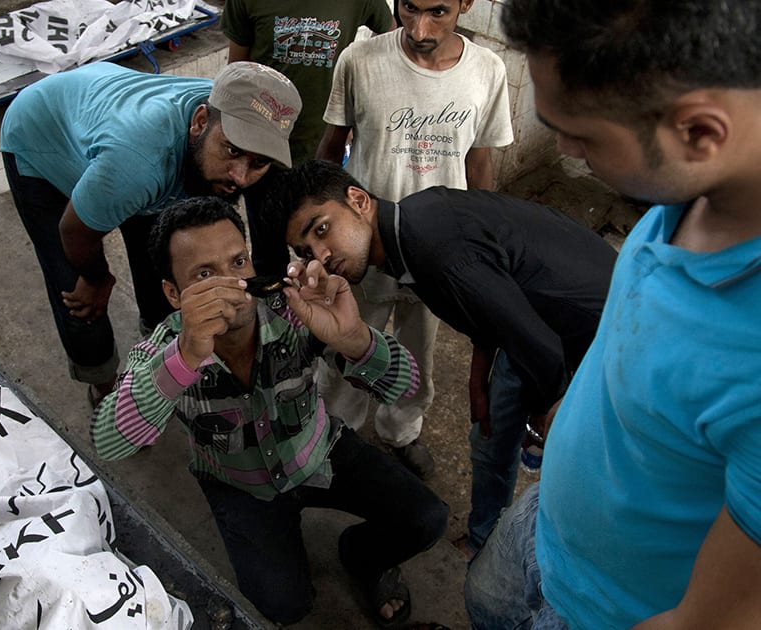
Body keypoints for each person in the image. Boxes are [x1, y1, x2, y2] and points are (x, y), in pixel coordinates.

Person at [462, 1, 761, 628]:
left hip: (601, 611)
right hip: (545, 527)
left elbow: (720, 614)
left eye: (584, 135)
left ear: (700, 132)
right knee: (485, 602)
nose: (566, 147)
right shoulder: (694, 192)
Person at [91, 197, 450, 627]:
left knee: (427, 518)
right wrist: (184, 358)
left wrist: (354, 337)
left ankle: (362, 557)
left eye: (237, 262)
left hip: (320, 451)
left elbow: (406, 385)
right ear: (173, 294)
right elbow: (109, 441)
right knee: (283, 605)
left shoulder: (294, 313)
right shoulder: (161, 352)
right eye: (205, 275)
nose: (231, 285)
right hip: (238, 485)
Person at [264, 159, 615, 555]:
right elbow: (486, 306)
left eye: (322, 229)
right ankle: (485, 540)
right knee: (489, 439)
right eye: (306, 249)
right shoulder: (412, 225)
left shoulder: (432, 245)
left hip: (597, 343)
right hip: (539, 325)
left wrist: (543, 413)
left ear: (358, 200)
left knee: (570, 465)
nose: (321, 255)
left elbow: (543, 351)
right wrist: (477, 378)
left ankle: (539, 564)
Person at [0, 61, 301, 406]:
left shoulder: (232, 112)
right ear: (200, 122)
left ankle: (162, 357)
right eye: (232, 151)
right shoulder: (138, 163)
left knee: (164, 263)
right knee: (77, 292)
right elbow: (74, 231)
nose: (240, 177)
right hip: (38, 133)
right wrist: (97, 278)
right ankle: (103, 385)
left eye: (258, 163)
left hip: (102, 111)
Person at [313, 0, 514, 479]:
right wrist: (316, 231)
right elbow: (330, 148)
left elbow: (479, 164)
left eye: (439, 12)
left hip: (440, 255)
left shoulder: (487, 71)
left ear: (467, 4)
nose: (420, 28)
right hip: (366, 249)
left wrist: (483, 247)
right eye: (408, 8)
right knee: (347, 344)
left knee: (418, 350)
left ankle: (401, 430)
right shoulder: (359, 61)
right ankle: (332, 433)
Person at [222, 0, 393, 279]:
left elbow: (391, 42)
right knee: (268, 251)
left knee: (330, 247)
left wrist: (354, 106)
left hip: (325, 151)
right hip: (262, 153)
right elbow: (236, 73)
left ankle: (326, 311)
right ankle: (276, 311)